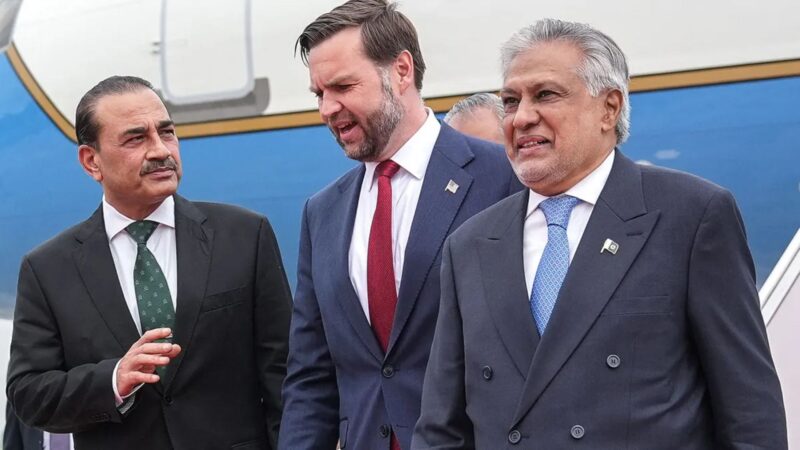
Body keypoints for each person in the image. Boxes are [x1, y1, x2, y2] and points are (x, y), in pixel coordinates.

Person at [412, 18, 787, 449]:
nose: (521, 117)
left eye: (546, 95)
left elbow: (749, 411)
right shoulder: (471, 243)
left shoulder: (691, 215)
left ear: (609, 108)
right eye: (511, 101)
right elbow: (442, 426)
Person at [279, 1, 521, 449]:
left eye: (343, 86)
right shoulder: (322, 212)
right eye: (318, 94)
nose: (328, 109)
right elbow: (311, 376)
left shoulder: (502, 178)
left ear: (402, 70)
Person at [6, 76, 292, 450]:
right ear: (92, 161)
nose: (161, 150)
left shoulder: (244, 235)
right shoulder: (47, 269)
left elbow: (286, 377)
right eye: (136, 138)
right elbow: (28, 393)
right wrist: (113, 379)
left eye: (166, 132)